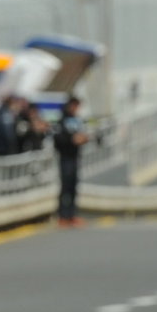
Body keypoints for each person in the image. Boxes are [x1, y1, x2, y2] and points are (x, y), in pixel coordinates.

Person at [51, 97, 89, 227]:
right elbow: (58, 139)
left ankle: (72, 214)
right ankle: (62, 215)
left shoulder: (77, 120)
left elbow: (83, 134)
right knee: (65, 187)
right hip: (65, 157)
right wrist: (72, 140)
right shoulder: (62, 121)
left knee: (73, 186)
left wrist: (83, 139)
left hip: (75, 157)